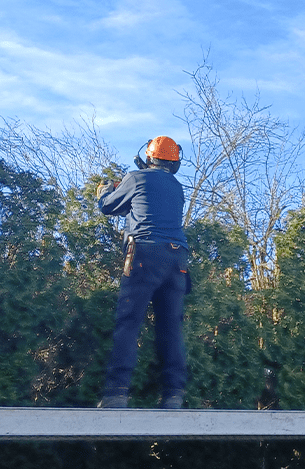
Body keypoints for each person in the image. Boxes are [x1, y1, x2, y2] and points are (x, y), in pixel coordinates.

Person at [96, 136, 191, 409]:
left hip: (144, 254)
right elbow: (145, 205)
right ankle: (173, 394)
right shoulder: (176, 187)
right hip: (177, 259)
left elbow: (108, 207)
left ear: (149, 157)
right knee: (170, 327)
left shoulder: (136, 178)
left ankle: (116, 393)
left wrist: (105, 190)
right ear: (174, 163)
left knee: (129, 323)